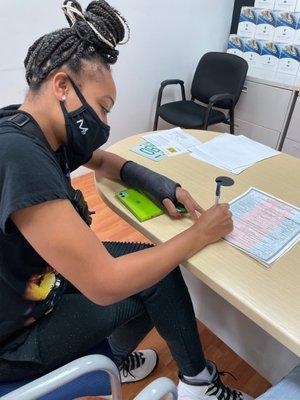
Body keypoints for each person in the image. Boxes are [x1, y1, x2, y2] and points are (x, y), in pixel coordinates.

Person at [0, 1, 252, 399]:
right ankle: (198, 385)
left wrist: (158, 184)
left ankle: (122, 360)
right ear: (62, 86)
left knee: (156, 268)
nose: (104, 124)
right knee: (155, 271)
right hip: (14, 341)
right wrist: (202, 232)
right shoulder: (20, 156)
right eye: (102, 108)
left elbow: (102, 160)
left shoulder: (26, 125)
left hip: (37, 282)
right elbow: (105, 284)